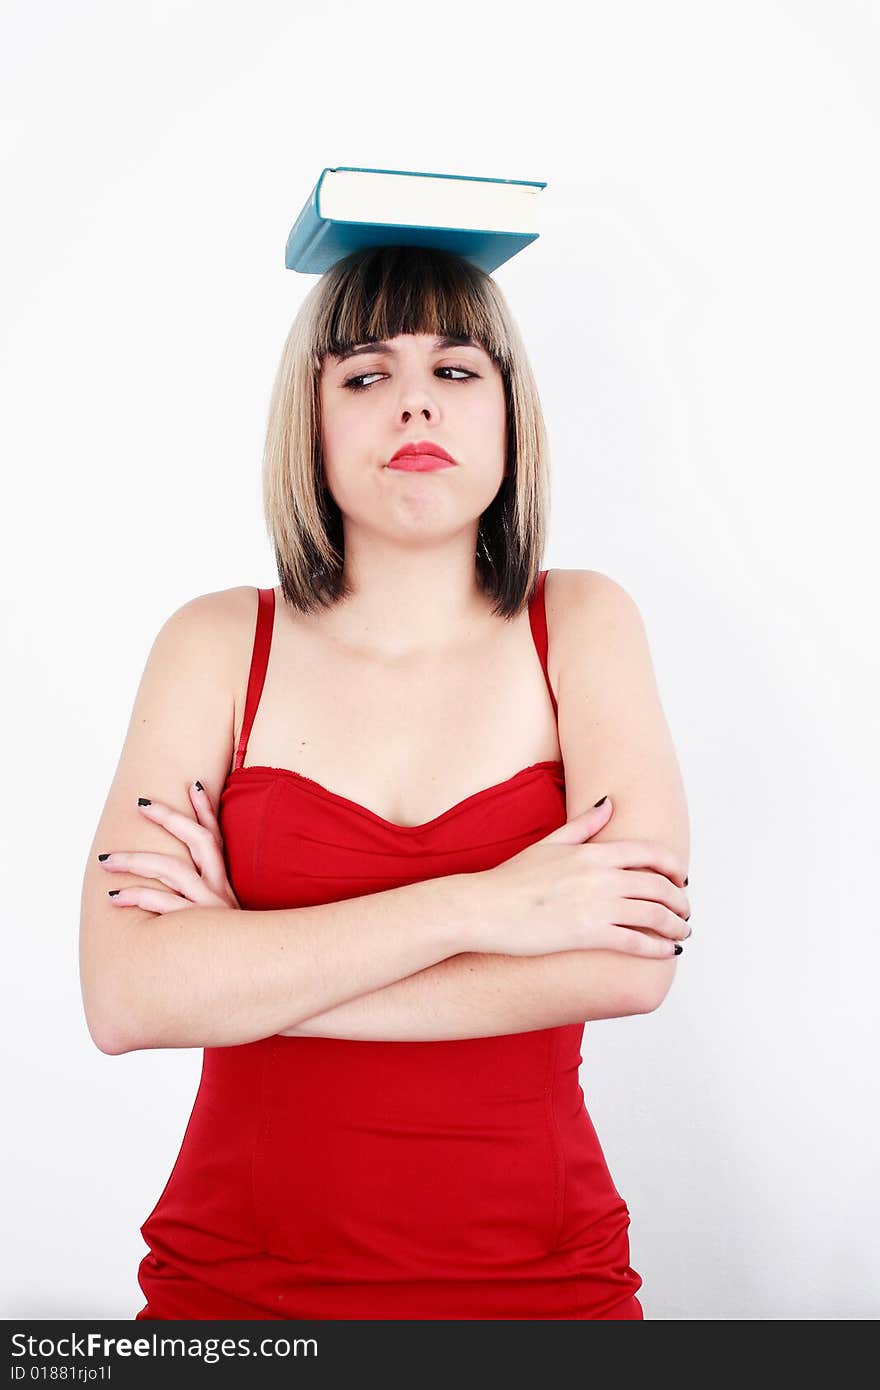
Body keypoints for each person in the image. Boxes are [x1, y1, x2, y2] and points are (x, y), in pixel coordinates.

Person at [79, 244, 691, 1320]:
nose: (416, 407)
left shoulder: (584, 624)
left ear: (510, 414)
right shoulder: (216, 643)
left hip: (545, 1291)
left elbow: (630, 963)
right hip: (236, 1295)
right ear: (310, 421)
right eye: (365, 376)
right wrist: (486, 906)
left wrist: (252, 982)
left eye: (457, 371)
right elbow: (128, 995)